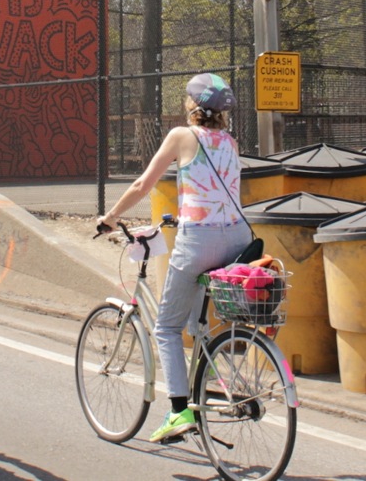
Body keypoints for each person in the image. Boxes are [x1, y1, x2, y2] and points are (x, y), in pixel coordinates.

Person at [97, 72, 253, 442]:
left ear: (192, 104)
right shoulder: (230, 142)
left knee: (167, 328)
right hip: (238, 237)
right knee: (197, 322)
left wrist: (111, 217)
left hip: (200, 240)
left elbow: (142, 184)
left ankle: (179, 410)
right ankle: (207, 376)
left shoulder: (182, 136)